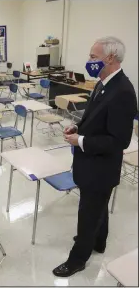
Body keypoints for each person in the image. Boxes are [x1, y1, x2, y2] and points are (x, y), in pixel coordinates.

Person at [53, 37, 137, 277]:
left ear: (109, 58)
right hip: (90, 162)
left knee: (88, 212)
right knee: (98, 206)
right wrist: (78, 128)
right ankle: (99, 242)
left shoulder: (123, 91)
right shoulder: (102, 83)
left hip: (101, 168)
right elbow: (94, 119)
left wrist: (81, 141)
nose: (88, 61)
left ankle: (78, 259)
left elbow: (119, 141)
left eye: (92, 56)